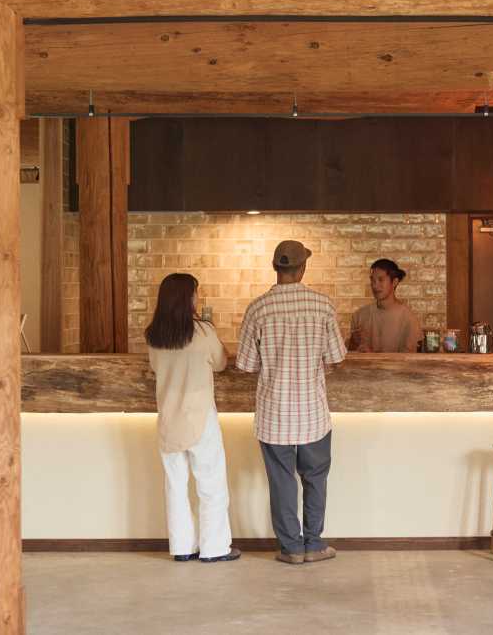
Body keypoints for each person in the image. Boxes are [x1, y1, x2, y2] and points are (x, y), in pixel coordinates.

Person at [236, 240, 347, 565]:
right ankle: (314, 544)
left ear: (275, 267)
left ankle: (291, 549)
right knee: (315, 478)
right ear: (302, 269)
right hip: (313, 413)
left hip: (274, 414)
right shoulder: (322, 306)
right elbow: (337, 357)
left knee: (282, 481)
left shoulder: (258, 308)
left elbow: (246, 365)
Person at [145, 273, 240, 563]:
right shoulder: (203, 332)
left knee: (174, 485)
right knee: (210, 484)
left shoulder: (154, 336)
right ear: (188, 297)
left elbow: (155, 367)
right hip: (200, 418)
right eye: (196, 293)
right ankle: (214, 548)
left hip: (169, 419)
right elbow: (221, 363)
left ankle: (182, 547)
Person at [348, 258, 423, 353]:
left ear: (395, 282)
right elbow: (349, 354)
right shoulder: (359, 316)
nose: (375, 285)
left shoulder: (409, 319)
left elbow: (409, 359)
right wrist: (353, 342)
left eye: (380, 280)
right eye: (372, 280)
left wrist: (372, 356)